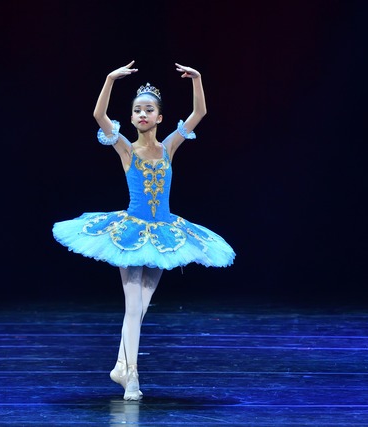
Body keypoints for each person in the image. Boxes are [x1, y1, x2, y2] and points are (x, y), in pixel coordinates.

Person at [52, 60, 235, 400]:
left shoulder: (169, 147)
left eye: (149, 110)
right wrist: (109, 78)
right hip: (131, 235)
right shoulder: (126, 148)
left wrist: (197, 79)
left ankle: (121, 367)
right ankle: (132, 377)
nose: (142, 114)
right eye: (137, 110)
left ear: (160, 117)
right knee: (133, 306)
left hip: (164, 235)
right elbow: (99, 116)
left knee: (143, 306)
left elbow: (200, 113)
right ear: (132, 117)